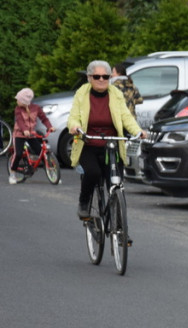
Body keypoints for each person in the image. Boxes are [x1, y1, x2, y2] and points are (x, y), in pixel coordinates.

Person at [67, 60, 145, 220]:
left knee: (116, 184)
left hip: (111, 144)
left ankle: (119, 226)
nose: (101, 79)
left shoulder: (116, 94)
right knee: (93, 173)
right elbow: (74, 116)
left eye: (105, 76)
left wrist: (138, 131)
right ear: (89, 77)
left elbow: (125, 116)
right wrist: (75, 126)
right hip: (88, 143)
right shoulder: (82, 94)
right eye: (97, 76)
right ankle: (84, 201)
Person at [8, 88, 53, 184]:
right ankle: (12, 173)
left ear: (25, 102)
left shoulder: (36, 108)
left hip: (31, 134)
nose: (17, 101)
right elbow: (19, 120)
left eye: (18, 100)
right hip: (19, 134)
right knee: (18, 153)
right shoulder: (18, 109)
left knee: (40, 152)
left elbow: (44, 118)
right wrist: (24, 130)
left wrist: (49, 127)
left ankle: (51, 172)